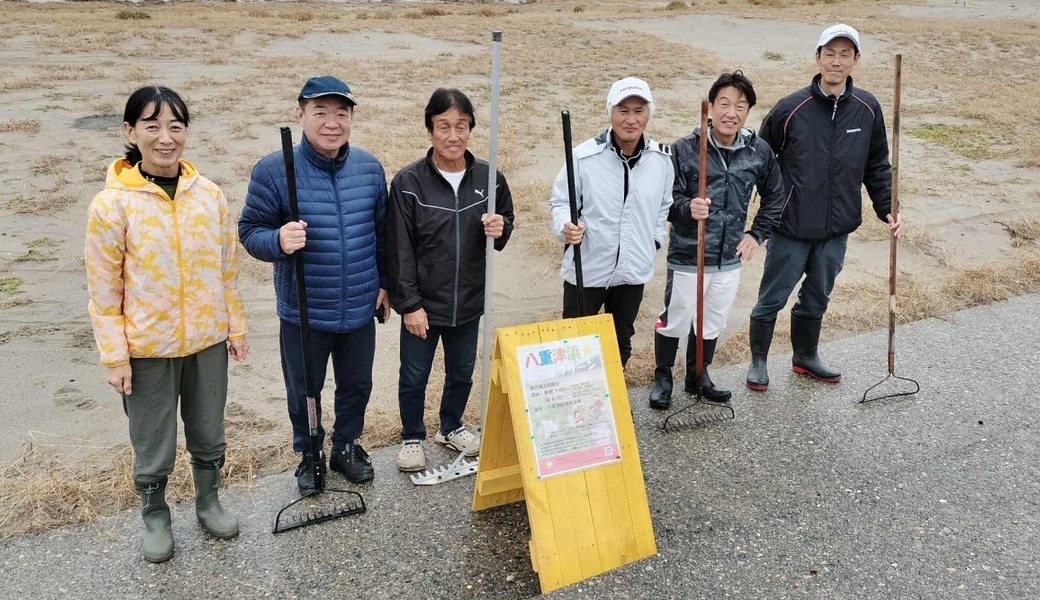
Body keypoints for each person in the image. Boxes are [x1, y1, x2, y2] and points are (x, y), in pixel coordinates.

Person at [84, 86, 248, 563]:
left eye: (175, 126)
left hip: (206, 342)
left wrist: (234, 329)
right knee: (152, 442)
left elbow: (226, 270)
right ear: (130, 132)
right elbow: (103, 291)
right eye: (152, 126)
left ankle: (208, 500)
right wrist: (114, 356)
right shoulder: (111, 205)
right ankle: (155, 516)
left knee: (208, 432)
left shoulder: (209, 195)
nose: (165, 138)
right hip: (146, 349)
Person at [239, 76, 390, 490]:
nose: (331, 123)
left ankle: (345, 446)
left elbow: (383, 233)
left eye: (341, 113)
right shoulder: (274, 170)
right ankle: (310, 453)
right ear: (300, 114)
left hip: (360, 302)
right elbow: (250, 230)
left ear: (352, 118)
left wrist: (385, 283)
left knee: (357, 383)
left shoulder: (370, 168)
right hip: (304, 309)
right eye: (320, 112)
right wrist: (278, 240)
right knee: (305, 390)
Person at [746, 24, 903, 391]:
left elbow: (877, 164)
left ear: (856, 60)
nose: (836, 61)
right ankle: (758, 361)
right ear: (817, 57)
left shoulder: (867, 108)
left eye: (845, 54)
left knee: (818, 294)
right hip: (791, 226)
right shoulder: (790, 108)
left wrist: (888, 208)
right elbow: (761, 162)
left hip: (837, 228)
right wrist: (762, 212)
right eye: (829, 53)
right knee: (773, 295)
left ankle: (805, 357)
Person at [386, 88, 514, 473]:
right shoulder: (409, 183)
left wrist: (500, 226)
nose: (453, 135)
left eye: (461, 126)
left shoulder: (490, 178)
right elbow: (399, 250)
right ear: (430, 131)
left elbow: (505, 225)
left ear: (471, 129)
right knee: (414, 374)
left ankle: (451, 426)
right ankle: (412, 436)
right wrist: (409, 304)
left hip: (469, 300)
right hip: (424, 304)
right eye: (444, 126)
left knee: (461, 371)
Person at [649, 71, 785, 410]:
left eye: (740, 106)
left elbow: (776, 196)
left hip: (729, 258)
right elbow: (666, 199)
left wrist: (756, 234)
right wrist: (686, 207)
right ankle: (663, 375)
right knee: (676, 317)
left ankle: (698, 375)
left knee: (712, 320)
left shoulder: (757, 150)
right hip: (688, 254)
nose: (731, 112)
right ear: (710, 108)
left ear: (748, 111)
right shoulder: (685, 149)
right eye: (724, 103)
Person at [548, 77, 673, 368]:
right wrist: (565, 226)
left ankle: (612, 403)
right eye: (623, 110)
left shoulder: (662, 160)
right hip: (588, 265)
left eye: (639, 111)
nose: (631, 119)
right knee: (575, 343)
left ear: (648, 115)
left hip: (633, 271)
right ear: (610, 113)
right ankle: (577, 407)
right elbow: (561, 202)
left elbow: (662, 208)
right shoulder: (582, 157)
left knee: (620, 342)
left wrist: (654, 241)